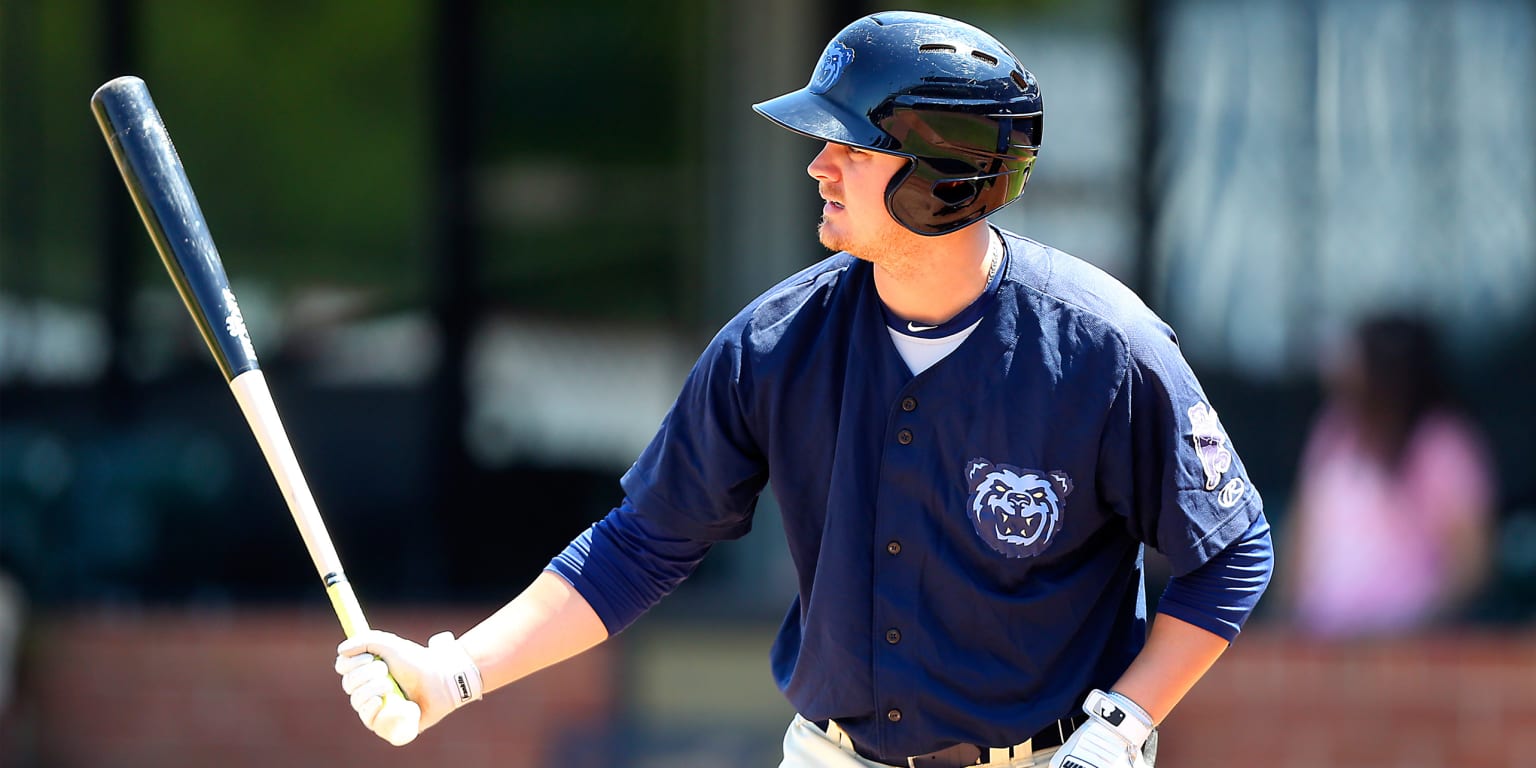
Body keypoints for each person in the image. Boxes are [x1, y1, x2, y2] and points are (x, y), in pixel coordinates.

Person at [335, 11, 1274, 768]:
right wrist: (451, 673)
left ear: (944, 176)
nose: (819, 165)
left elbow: (1231, 552)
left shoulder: (1106, 348)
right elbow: (638, 547)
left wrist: (1124, 727)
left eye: (853, 147)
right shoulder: (773, 345)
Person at [1280, 314, 1495, 640]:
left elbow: (1470, 563)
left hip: (1409, 649)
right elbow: (1301, 533)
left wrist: (1419, 627)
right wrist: (1287, 618)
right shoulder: (1334, 431)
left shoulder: (1442, 443)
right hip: (1322, 640)